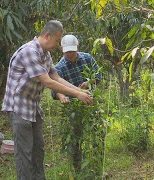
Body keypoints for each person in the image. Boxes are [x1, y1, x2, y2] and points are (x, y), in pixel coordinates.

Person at [2, 21, 93, 180]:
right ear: (47, 35)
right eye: (57, 40)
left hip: (33, 106)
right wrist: (77, 95)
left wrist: (79, 90)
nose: (58, 45)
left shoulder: (46, 54)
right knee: (24, 153)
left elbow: (56, 77)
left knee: (38, 150)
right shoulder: (29, 52)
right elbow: (48, 82)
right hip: (19, 107)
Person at [53, 35, 102, 173]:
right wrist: (62, 96)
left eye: (72, 51)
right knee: (76, 137)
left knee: (96, 133)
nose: (70, 54)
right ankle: (78, 169)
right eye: (67, 52)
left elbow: (99, 76)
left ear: (77, 48)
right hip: (74, 108)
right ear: (62, 50)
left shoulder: (87, 58)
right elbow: (55, 88)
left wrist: (89, 82)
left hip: (92, 103)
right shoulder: (59, 67)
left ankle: (96, 164)